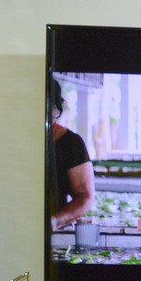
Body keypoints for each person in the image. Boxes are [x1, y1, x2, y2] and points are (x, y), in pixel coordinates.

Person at [48, 77, 95, 231]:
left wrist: (54, 221)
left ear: (55, 109)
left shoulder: (70, 143)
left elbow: (85, 196)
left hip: (52, 229)